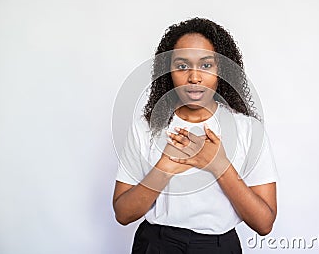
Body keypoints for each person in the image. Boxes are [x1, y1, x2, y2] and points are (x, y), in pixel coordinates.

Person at [112, 17, 278, 254]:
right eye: (182, 66)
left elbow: (264, 223)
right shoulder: (147, 127)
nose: (194, 77)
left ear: (222, 69)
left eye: (206, 65)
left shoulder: (248, 129)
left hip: (219, 247)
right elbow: (123, 213)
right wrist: (164, 169)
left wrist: (219, 165)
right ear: (167, 71)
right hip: (156, 245)